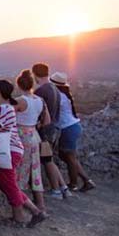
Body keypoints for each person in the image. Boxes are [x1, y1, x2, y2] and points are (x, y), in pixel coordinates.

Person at [0, 79, 47, 227]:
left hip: (8, 151)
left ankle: (21, 217)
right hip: (11, 150)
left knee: (9, 184)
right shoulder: (4, 107)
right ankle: (35, 211)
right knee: (7, 183)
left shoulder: (1, 109)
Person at [50, 72, 96, 192]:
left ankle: (74, 184)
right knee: (65, 155)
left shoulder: (58, 97)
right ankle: (86, 180)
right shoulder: (65, 95)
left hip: (68, 128)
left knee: (70, 157)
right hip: (73, 126)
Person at [31, 63, 71, 198]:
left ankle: (56, 190)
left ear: (35, 74)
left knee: (47, 161)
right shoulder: (54, 88)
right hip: (54, 128)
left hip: (44, 131)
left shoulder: (41, 91)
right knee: (50, 160)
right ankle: (64, 187)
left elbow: (37, 113)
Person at [14, 69, 48, 211]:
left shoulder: (20, 101)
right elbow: (47, 120)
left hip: (22, 136)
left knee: (20, 173)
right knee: (35, 170)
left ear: (19, 85)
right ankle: (41, 204)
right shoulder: (39, 100)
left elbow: (4, 116)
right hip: (34, 134)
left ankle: (21, 208)